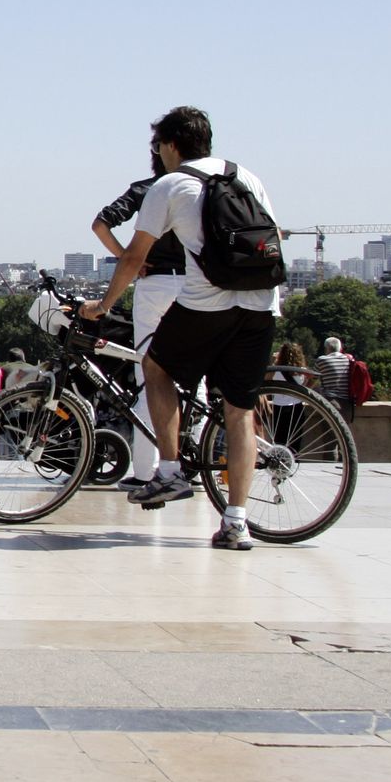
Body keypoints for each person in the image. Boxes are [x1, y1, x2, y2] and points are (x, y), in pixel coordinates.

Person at [80, 105, 282, 553]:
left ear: (171, 145)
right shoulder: (246, 176)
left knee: (155, 366)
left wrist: (105, 305)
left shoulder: (170, 185)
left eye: (158, 146)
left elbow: (133, 257)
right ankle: (236, 522)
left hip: (206, 300)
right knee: (239, 410)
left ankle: (169, 471)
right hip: (261, 303)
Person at [92, 149, 190, 489]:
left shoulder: (147, 189)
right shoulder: (197, 191)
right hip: (195, 285)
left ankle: (148, 471)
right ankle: (195, 462)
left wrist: (126, 257)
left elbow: (100, 224)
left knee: (148, 379)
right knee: (198, 381)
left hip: (156, 283)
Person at [315, 337, 355, 419]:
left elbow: (313, 379)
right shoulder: (348, 360)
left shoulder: (322, 360)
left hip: (331, 402)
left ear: (326, 348)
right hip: (347, 404)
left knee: (328, 431)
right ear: (340, 348)